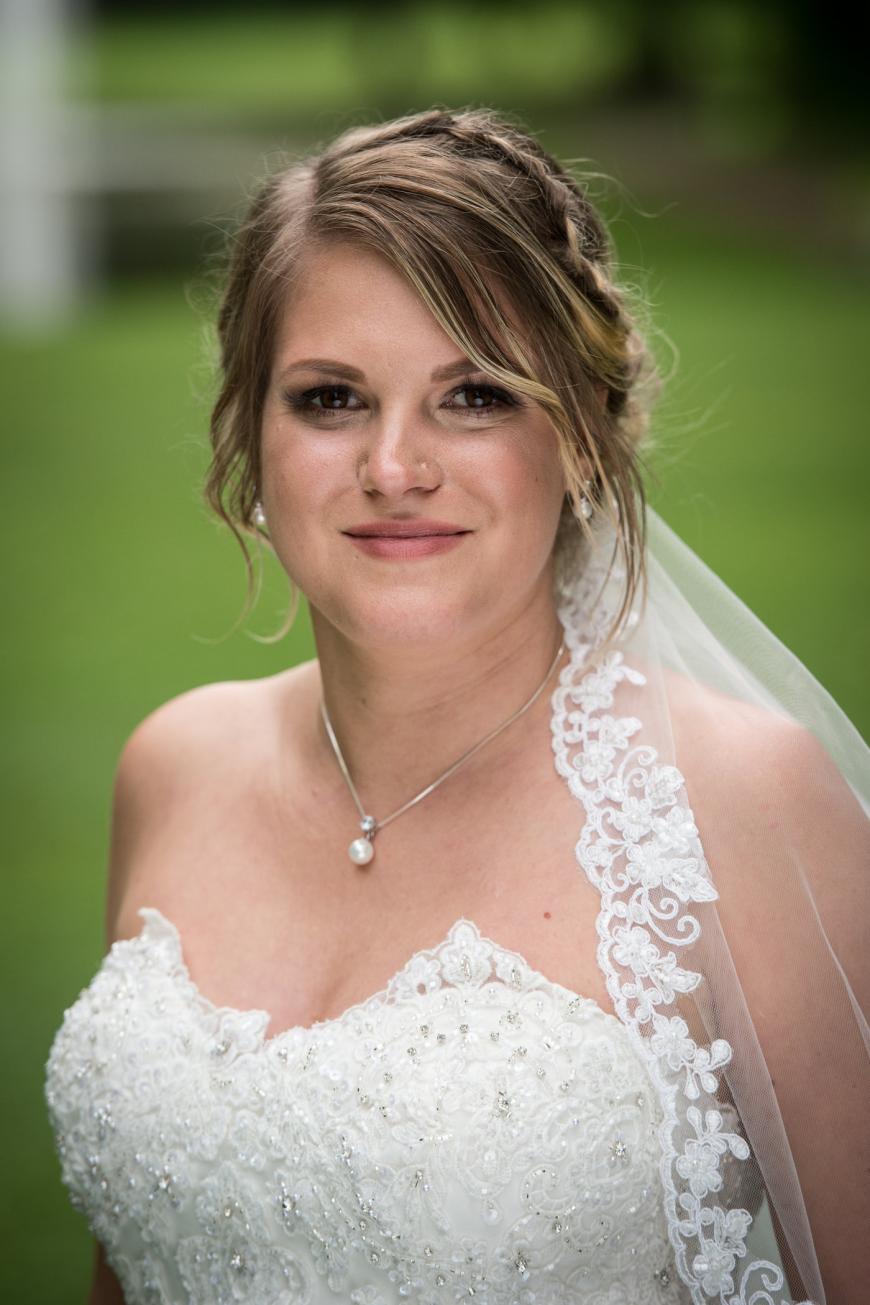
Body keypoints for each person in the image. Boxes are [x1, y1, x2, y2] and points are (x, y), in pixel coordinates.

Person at [44, 106, 869, 1305]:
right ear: (248, 437)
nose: (394, 466)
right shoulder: (173, 764)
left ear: (582, 440)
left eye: (474, 394)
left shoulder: (737, 801)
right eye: (331, 399)